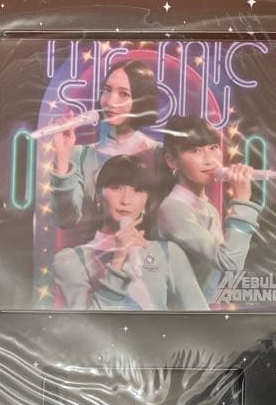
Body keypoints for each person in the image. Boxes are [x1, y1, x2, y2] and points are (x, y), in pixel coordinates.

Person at [53, 154, 207, 310]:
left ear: (147, 201)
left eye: (138, 190)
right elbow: (86, 322)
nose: (126, 200)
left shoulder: (168, 253)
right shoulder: (71, 260)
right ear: (99, 194)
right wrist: (118, 261)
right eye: (116, 188)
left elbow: (199, 316)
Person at [154, 116, 262, 303]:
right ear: (172, 161)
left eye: (213, 147)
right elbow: (229, 263)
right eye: (195, 150)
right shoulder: (172, 208)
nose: (210, 160)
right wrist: (242, 200)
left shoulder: (208, 207)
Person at [49, 59, 163, 232]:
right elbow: (66, 220)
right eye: (107, 90)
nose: (111, 101)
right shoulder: (81, 155)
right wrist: (62, 158)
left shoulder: (159, 154)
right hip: (98, 246)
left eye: (124, 94)